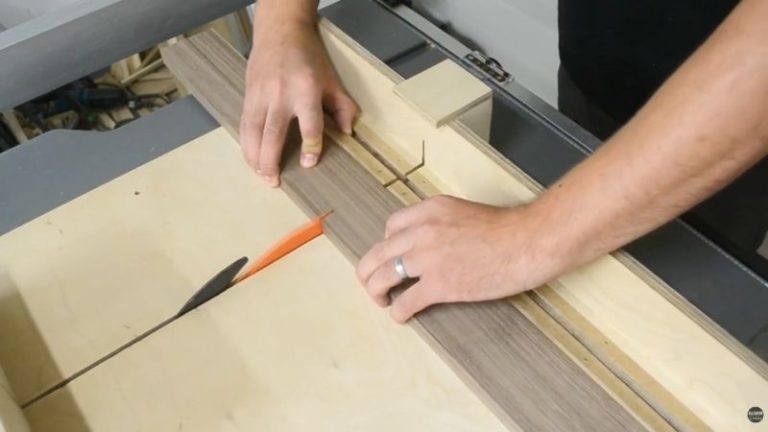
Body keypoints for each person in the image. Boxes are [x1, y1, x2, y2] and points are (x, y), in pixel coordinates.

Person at [241, 0, 768, 323]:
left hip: (739, 115)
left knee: (681, 292)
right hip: (605, 51)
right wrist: (284, 22)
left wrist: (530, 238)